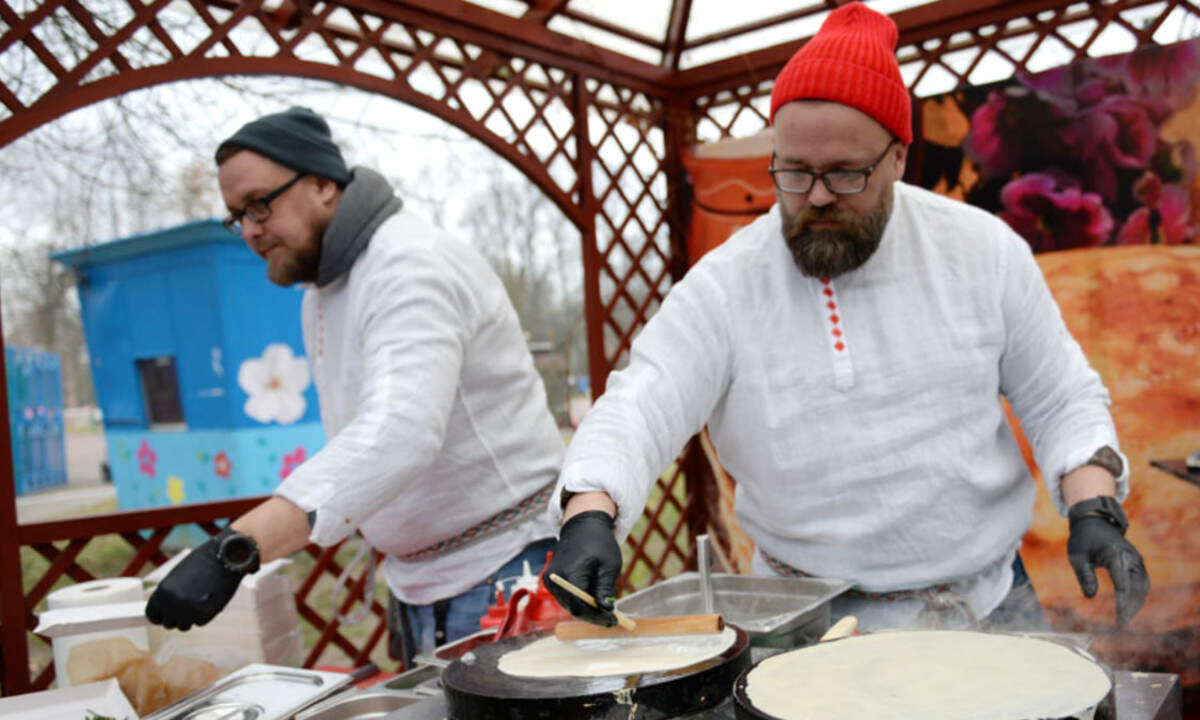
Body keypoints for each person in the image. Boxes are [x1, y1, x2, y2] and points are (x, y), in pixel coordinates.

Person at [544, 3, 1149, 632]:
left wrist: (1093, 505)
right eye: (795, 172)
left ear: (897, 158)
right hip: (802, 623)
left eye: (845, 173)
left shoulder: (982, 251)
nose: (818, 196)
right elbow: (641, 404)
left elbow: (1059, 396)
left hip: (985, 606)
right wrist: (590, 510)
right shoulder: (728, 285)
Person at [144, 107, 565, 663]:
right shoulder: (322, 291)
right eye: (236, 216)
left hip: (508, 568)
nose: (248, 230)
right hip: (420, 580)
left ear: (322, 182)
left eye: (259, 204)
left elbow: (400, 431)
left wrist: (236, 549)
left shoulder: (408, 264)